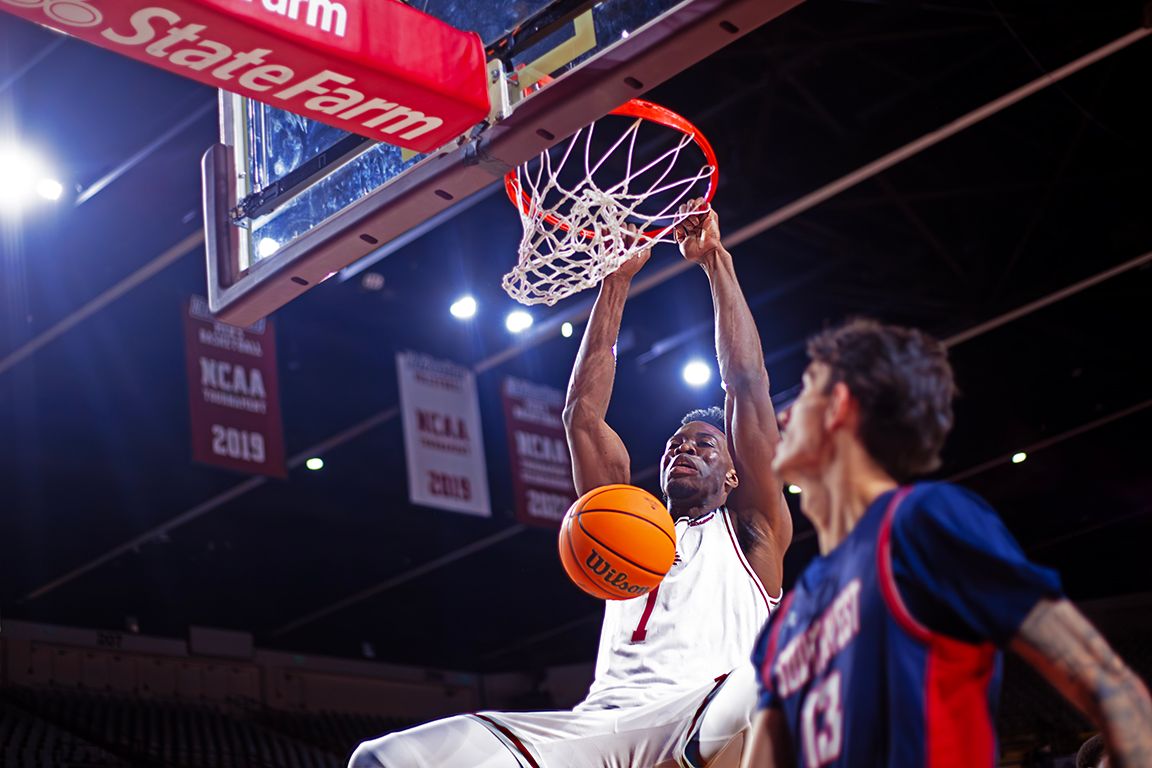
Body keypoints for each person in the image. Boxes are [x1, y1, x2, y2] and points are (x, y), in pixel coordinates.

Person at [349, 199, 793, 767]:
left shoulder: (752, 531)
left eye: (704, 444)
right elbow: (581, 414)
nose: (684, 448)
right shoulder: (620, 518)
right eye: (675, 444)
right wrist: (615, 280)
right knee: (384, 760)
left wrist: (715, 262)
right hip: (601, 725)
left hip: (708, 713)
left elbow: (747, 383)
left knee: (787, 664)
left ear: (734, 473)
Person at [742, 319, 1152, 768]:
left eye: (804, 392)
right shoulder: (784, 625)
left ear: (838, 406)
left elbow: (1115, 692)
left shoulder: (919, 523)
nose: (783, 415)